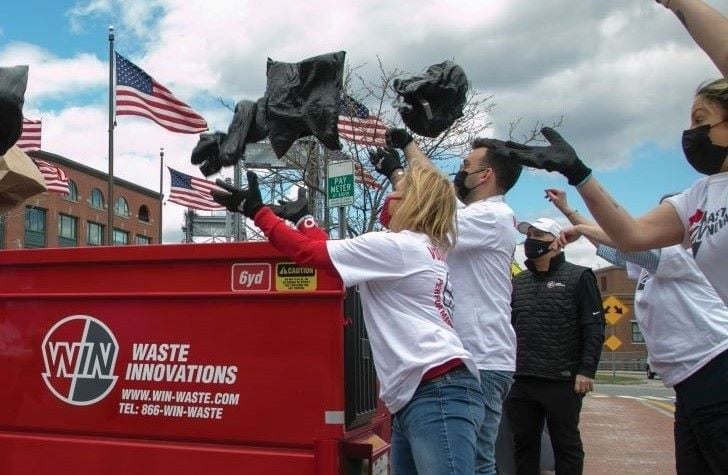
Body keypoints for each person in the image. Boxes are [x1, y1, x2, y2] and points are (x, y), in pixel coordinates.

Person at [212, 165, 483, 475]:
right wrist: (305, 220)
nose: (390, 197)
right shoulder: (424, 248)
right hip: (428, 391)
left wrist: (257, 212)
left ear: (414, 203)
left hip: (434, 390)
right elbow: (334, 256)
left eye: (398, 191)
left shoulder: (399, 247)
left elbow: (308, 254)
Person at [503, 1, 728, 302]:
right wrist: (578, 173)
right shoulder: (699, 199)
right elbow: (630, 236)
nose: (690, 132)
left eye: (700, 120)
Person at [549, 188, 728, 473]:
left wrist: (580, 225)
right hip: (688, 378)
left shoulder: (684, 252)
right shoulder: (650, 267)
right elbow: (613, 247)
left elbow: (629, 240)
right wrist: (569, 212)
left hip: (714, 366)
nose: (654, 226)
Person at [382, 129, 523, 474]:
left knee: (473, 464)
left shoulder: (492, 217)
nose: (459, 172)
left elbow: (429, 207)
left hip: (481, 358)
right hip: (461, 359)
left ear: (485, 175)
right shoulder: (470, 214)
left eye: (465, 165)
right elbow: (434, 193)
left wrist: (406, 161)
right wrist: (401, 165)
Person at [504, 217, 603, 475]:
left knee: (565, 444)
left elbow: (593, 327)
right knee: (523, 445)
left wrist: (587, 369)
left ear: (557, 242)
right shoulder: (518, 282)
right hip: (522, 378)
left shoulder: (580, 276)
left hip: (562, 379)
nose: (531, 240)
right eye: (530, 234)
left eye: (539, 235)